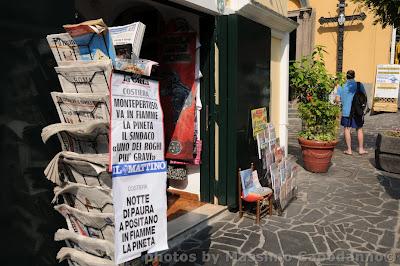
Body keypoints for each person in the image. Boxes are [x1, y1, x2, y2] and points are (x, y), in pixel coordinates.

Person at [335, 70, 368, 155]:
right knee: (359, 129)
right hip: (357, 111)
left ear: (346, 76)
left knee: (347, 129)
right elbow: (364, 96)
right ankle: (361, 149)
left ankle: (349, 150)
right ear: (354, 76)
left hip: (346, 111)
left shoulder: (341, 86)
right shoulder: (359, 85)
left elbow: (338, 100)